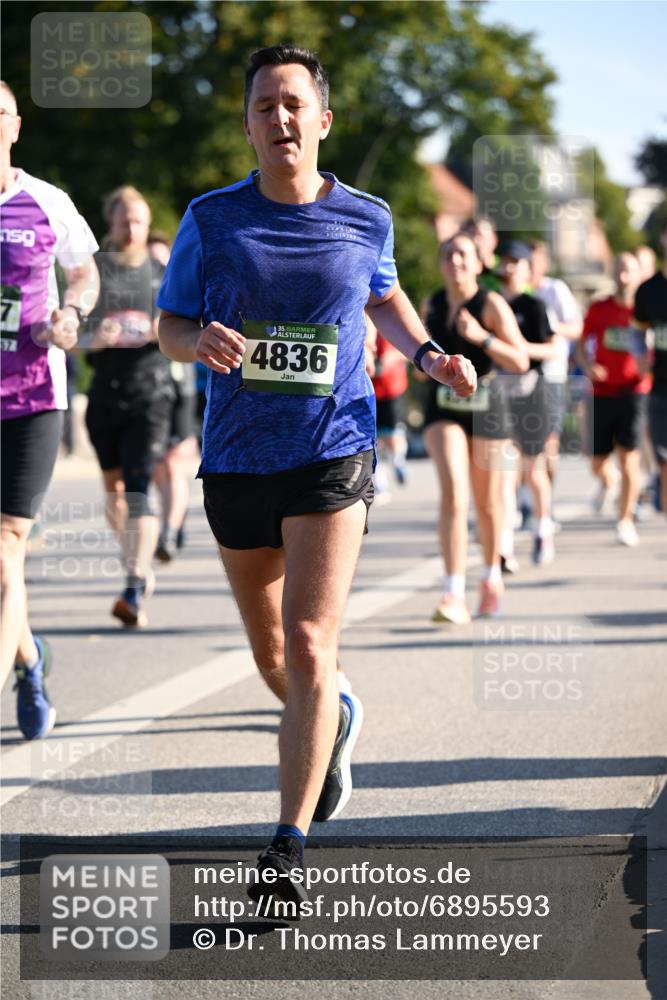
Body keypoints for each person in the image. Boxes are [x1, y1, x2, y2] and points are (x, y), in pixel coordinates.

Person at [157, 45, 476, 907]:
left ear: (321, 119)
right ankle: (335, 715)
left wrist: (431, 355)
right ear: (248, 125)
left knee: (306, 641)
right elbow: (169, 323)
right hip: (236, 457)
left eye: (294, 104)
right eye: (264, 106)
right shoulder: (211, 218)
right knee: (273, 655)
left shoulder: (366, 216)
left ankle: (286, 848)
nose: (280, 119)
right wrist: (197, 341)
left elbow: (383, 295)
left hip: (333, 448)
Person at [0, 80, 99, 738]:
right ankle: (30, 660)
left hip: (32, 396)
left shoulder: (46, 201)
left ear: (15, 126)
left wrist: (71, 313)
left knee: (6, 543)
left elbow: (85, 273)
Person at [422, 232, 529, 624]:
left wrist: (481, 338)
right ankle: (453, 592)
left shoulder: (491, 303)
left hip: (489, 409)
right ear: (440, 263)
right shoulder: (432, 304)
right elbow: (417, 358)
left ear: (480, 263)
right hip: (443, 408)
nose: (455, 261)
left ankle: (490, 577)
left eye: (463, 254)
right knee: (454, 493)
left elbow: (520, 360)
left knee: (488, 503)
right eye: (448, 254)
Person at [84, 186, 173, 626]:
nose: (131, 228)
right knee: (114, 492)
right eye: (124, 221)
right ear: (111, 223)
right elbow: (71, 332)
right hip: (105, 391)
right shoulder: (93, 271)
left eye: (138, 221)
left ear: (147, 223)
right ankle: (134, 562)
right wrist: (95, 336)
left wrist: (157, 329)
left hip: (150, 391)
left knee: (139, 485)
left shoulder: (163, 273)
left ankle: (135, 582)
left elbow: (186, 326)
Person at [575, 252, 649, 545]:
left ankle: (625, 520)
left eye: (628, 269)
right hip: (602, 392)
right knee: (596, 461)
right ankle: (610, 480)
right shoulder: (599, 308)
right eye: (619, 268)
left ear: (639, 274)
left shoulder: (646, 311)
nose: (623, 274)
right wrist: (588, 365)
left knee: (630, 459)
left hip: (635, 392)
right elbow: (580, 343)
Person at [497, 240, 558, 567]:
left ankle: (542, 529)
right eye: (505, 260)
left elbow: (552, 348)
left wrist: (519, 350)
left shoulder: (534, 306)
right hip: (499, 394)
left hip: (531, 390)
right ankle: (504, 544)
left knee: (533, 470)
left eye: (515, 262)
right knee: (505, 471)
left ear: (526, 269)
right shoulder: (491, 303)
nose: (508, 267)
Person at [147, 233, 198, 562]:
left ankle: (168, 530)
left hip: (180, 387)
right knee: (158, 466)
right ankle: (171, 519)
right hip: (148, 390)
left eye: (162, 261)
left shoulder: (183, 288)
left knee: (173, 462)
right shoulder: (134, 290)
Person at [530, 241, 583, 500]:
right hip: (517, 376)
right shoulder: (511, 292)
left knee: (548, 442)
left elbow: (576, 329)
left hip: (551, 374)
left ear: (544, 264)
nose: (529, 266)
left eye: (534, 261)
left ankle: (545, 502)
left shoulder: (555, 290)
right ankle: (526, 501)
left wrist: (548, 326)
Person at [634, 220, 667, 516]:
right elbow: (637, 331)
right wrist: (640, 355)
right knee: (664, 458)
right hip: (661, 385)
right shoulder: (648, 290)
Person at [368, 314, 410, 499]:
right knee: (373, 439)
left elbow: (412, 348)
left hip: (392, 388)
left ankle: (397, 460)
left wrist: (391, 357)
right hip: (369, 389)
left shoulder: (394, 316)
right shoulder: (360, 316)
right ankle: (379, 484)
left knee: (393, 435)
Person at [460, 215, 501, 291]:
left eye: (480, 235)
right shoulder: (458, 272)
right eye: (471, 236)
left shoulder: (509, 268)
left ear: (494, 240)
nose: (475, 240)